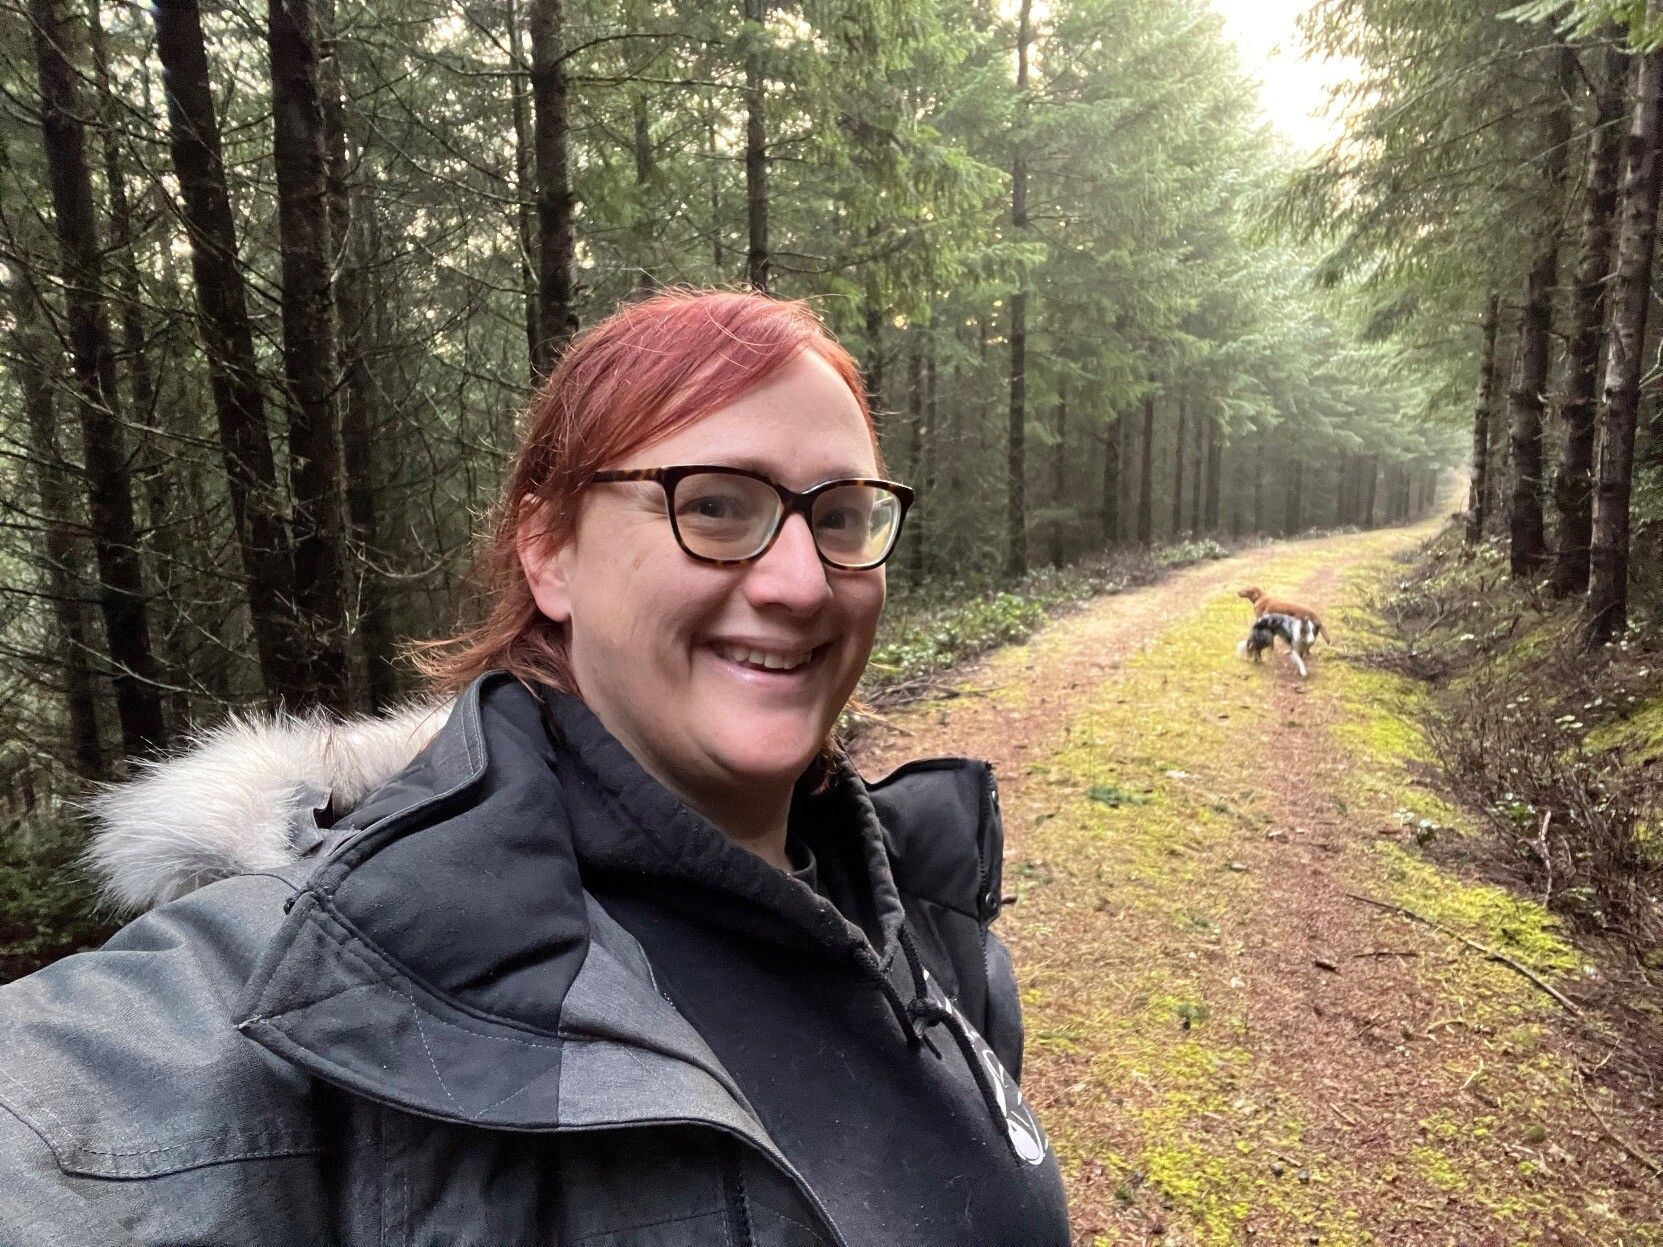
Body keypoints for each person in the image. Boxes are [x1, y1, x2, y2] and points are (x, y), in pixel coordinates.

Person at [0, 288, 1071, 1245]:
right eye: (714, 504)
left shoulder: (924, 918)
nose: (800, 580)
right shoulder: (310, 988)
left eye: (839, 516)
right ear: (547, 549)